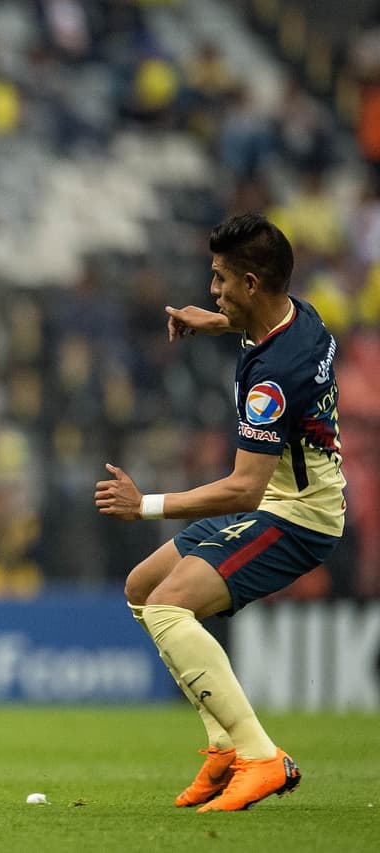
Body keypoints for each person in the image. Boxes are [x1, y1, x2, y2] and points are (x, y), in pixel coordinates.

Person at [95, 213, 345, 812]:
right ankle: (224, 744)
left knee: (168, 606)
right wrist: (209, 323)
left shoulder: (274, 380)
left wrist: (145, 506)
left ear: (254, 284)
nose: (213, 290)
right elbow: (252, 321)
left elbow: (243, 491)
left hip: (297, 517)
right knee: (142, 587)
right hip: (289, 498)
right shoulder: (301, 317)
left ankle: (261, 756)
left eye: (220, 281)